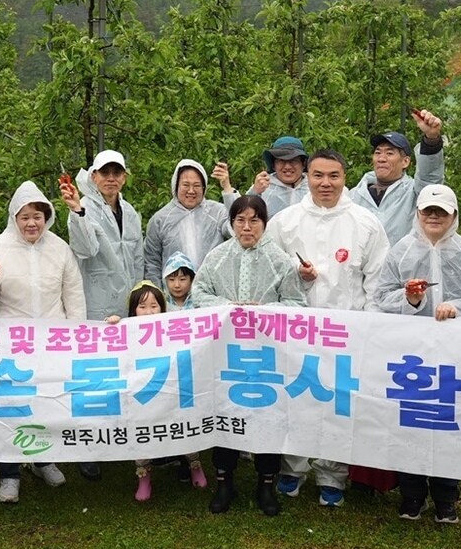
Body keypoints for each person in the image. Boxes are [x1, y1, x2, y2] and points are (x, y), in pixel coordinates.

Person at [268, 149, 390, 507]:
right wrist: (296, 277)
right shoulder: (285, 222)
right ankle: (292, 468)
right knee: (295, 400)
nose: (325, 183)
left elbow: (376, 282)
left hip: (345, 331)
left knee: (338, 404)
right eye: (318, 175)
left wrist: (370, 329)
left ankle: (332, 475)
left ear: (345, 178)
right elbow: (270, 273)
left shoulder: (365, 223)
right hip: (296, 331)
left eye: (333, 176)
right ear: (307, 176)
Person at [374, 183, 461, 524]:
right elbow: (381, 296)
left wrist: (458, 307)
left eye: (441, 212)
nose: (433, 217)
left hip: (455, 354)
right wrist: (411, 300)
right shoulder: (400, 252)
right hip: (411, 354)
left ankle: (446, 496)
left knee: (448, 422)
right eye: (427, 211)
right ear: (417, 214)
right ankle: (412, 494)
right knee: (412, 420)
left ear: (453, 216)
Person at [187, 193, 302, 517]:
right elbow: (199, 295)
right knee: (225, 412)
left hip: (267, 355)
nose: (247, 227)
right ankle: (225, 481)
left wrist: (264, 311)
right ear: (232, 223)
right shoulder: (218, 257)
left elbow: (297, 304)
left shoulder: (279, 260)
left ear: (264, 223)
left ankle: (266, 484)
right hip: (228, 354)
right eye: (240, 220)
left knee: (269, 415)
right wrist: (230, 309)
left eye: (254, 220)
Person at [0, 181, 85, 503]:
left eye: (37, 216)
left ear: (47, 217)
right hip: (10, 343)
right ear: (14, 218)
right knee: (11, 405)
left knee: (45, 403)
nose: (31, 223)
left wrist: (75, 337)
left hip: (51, 343)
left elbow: (73, 296)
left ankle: (42, 459)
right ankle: (9, 474)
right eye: (25, 217)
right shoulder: (0, 247)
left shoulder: (59, 248)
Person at [61, 149, 142, 481]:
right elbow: (86, 249)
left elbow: (137, 256)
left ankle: (118, 440)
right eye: (104, 173)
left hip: (126, 304)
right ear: (94, 176)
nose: (111, 178)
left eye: (117, 173)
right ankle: (88, 448)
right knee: (92, 375)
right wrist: (77, 210)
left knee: (122, 374)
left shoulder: (132, 212)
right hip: (94, 303)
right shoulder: (84, 206)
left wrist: (143, 297)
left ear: (123, 177)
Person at [106, 281, 209, 502]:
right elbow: (108, 345)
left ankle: (194, 465)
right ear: (133, 310)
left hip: (171, 391)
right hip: (140, 394)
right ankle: (144, 477)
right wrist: (113, 323)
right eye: (142, 307)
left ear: (163, 307)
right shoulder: (126, 331)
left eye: (154, 306)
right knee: (140, 431)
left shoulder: (174, 329)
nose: (149, 312)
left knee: (183, 425)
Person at [350, 108, 445, 245]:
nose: (381, 158)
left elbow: (430, 177)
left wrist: (431, 139)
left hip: (403, 266)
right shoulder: (354, 195)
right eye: (378, 153)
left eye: (389, 153)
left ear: (405, 162)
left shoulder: (415, 193)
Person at [143, 159, 230, 287]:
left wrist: (227, 188)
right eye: (185, 185)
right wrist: (158, 296)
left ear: (204, 187)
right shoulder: (160, 219)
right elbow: (151, 262)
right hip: (174, 299)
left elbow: (236, 229)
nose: (191, 191)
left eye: (196, 185)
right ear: (175, 186)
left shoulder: (218, 212)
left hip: (213, 293)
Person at [247, 135, 309, 217]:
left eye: (293, 161)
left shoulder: (313, 186)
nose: (287, 167)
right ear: (273, 165)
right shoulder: (263, 188)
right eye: (281, 161)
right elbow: (243, 218)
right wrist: (254, 193)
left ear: (303, 164)